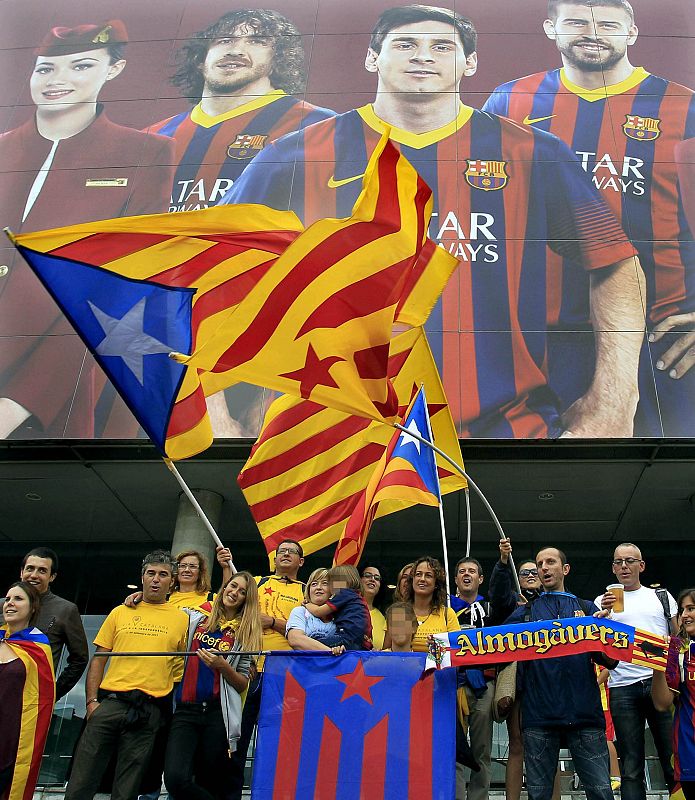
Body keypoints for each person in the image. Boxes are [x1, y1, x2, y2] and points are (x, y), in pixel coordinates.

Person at [221, 3, 645, 440]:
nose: (423, 56)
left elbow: (614, 263)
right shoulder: (295, 155)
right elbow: (206, 274)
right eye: (405, 44)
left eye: (442, 47)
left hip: (503, 429)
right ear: (372, 58)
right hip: (326, 434)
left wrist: (614, 400)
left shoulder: (533, 152)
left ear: (471, 63)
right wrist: (212, 408)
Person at [483, 0, 695, 437]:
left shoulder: (684, 107)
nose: (592, 32)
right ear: (550, 29)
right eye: (577, 22)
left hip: (661, 335)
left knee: (658, 484)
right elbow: (473, 202)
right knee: (546, 482)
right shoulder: (510, 100)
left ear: (632, 33)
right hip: (537, 332)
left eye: (609, 24)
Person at [0, 20, 175, 440]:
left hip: (47, 392)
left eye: (80, 66)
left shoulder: (147, 153)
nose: (57, 80)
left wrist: (19, 402)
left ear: (114, 70)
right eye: (45, 69)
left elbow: (115, 291)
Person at [147, 9, 336, 214]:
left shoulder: (319, 126)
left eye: (257, 41)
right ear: (200, 60)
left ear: (278, 60)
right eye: (225, 40)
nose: (236, 50)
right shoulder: (153, 137)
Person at [64, 550, 188, 800]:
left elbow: (177, 669)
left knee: (127, 789)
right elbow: (99, 659)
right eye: (150, 573)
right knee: (81, 782)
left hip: (148, 710)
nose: (156, 579)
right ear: (142, 578)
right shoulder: (120, 611)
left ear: (172, 582)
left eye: (163, 575)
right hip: (109, 704)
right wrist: (91, 703)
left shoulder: (183, 619)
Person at [505, 547, 614, 800]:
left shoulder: (587, 609)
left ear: (565, 569)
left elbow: (610, 661)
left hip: (585, 716)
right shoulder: (525, 614)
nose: (543, 567)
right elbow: (489, 643)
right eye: (540, 563)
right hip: (539, 719)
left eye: (550, 562)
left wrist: (603, 630)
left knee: (601, 793)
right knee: (539, 795)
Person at [163, 572, 262, 800]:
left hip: (218, 715)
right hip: (186, 710)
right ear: (224, 587)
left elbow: (241, 684)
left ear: (247, 599)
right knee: (175, 779)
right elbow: (165, 612)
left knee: (208, 780)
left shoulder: (245, 634)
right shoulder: (197, 617)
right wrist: (140, 596)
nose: (234, 593)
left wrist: (222, 666)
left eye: (242, 591)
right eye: (232, 586)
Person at [596, 542, 677, 798]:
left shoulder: (661, 596)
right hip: (622, 687)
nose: (624, 566)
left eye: (629, 561)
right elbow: (598, 647)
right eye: (618, 562)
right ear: (612, 568)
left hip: (659, 684)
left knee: (672, 758)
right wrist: (602, 617)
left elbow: (676, 638)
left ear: (641, 566)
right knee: (630, 764)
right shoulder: (602, 601)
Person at [227, 539, 305, 800]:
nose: (284, 554)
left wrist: (271, 622)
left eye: (291, 552)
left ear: (301, 562)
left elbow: (307, 632)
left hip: (285, 674)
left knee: (281, 745)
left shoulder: (307, 591)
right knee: (236, 742)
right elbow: (228, 604)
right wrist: (226, 566)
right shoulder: (255, 583)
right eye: (280, 551)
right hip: (247, 671)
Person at [487, 540, 559, 800]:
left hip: (548, 682)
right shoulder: (510, 605)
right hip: (519, 683)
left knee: (548, 747)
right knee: (517, 744)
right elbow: (496, 594)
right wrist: (504, 562)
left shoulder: (554, 603)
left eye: (534, 572)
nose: (530, 575)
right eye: (524, 573)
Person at [0, 581, 55, 800]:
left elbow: (42, 698)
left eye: (18, 599)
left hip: (12, 737)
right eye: (8, 598)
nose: (10, 603)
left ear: (33, 607)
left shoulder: (37, 647)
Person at [14, 547, 88, 700]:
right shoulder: (4, 605)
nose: (34, 575)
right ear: (22, 572)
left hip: (33, 701)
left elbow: (79, 659)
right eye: (30, 568)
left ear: (52, 576)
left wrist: (52, 693)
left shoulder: (65, 610)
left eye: (42, 571)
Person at [449, 557, 496, 800]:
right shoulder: (444, 609)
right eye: (462, 572)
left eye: (472, 571)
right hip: (452, 686)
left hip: (483, 687)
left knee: (482, 750)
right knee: (453, 749)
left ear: (480, 579)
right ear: (455, 579)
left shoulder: (490, 609)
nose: (467, 575)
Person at [651, 588, 695, 800]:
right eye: (682, 610)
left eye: (692, 608)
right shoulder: (678, 651)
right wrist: (658, 665)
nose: (685, 615)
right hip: (690, 750)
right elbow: (662, 703)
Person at [302, 564, 372, 650]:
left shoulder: (343, 594)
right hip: (363, 644)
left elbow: (318, 612)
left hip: (347, 638)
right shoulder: (356, 597)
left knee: (313, 643)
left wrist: (307, 604)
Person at [405, 556, 459, 652]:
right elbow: (387, 650)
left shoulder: (448, 614)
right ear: (412, 580)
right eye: (418, 574)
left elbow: (457, 651)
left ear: (436, 584)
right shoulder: (399, 612)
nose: (422, 579)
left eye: (428, 576)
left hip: (437, 666)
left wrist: (440, 647)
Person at [286, 568, 340, 651]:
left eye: (325, 583)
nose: (318, 587)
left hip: (334, 663)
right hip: (306, 663)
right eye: (314, 584)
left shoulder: (340, 616)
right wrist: (331, 652)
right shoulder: (300, 611)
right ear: (308, 590)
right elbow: (295, 639)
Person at [359, 564, 388, 649]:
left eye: (377, 578)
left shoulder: (383, 617)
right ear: (359, 580)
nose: (372, 579)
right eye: (368, 575)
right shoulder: (347, 609)